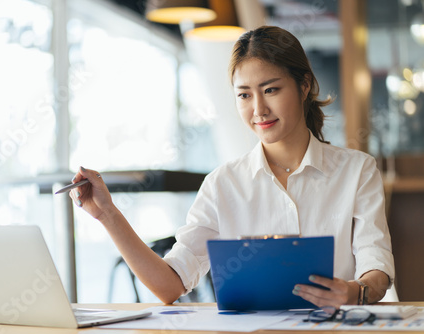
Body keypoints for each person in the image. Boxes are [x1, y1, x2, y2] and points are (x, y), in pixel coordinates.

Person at [69, 26, 394, 308]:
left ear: (304, 85)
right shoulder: (223, 184)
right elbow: (170, 286)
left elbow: (377, 269)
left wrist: (354, 292)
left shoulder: (357, 170)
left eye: (271, 90)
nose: (259, 109)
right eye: (244, 95)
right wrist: (107, 214)